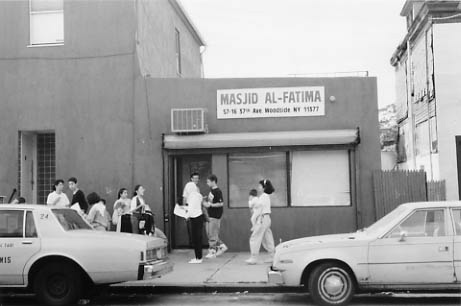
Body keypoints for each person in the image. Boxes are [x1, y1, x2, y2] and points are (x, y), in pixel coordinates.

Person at [246, 179, 275, 265]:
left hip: (262, 218)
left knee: (255, 237)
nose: (258, 187)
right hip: (266, 218)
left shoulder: (263, 196)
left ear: (264, 187)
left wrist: (251, 202)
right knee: (267, 237)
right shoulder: (265, 196)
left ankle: (254, 257)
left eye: (260, 186)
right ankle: (272, 255)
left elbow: (258, 207)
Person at [203, 174, 228, 259]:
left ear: (213, 181)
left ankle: (212, 251)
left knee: (212, 234)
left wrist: (211, 205)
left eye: (208, 182)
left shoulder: (218, 191)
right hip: (209, 215)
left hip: (215, 215)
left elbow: (221, 203)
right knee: (209, 233)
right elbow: (211, 202)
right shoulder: (211, 191)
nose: (207, 183)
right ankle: (222, 246)